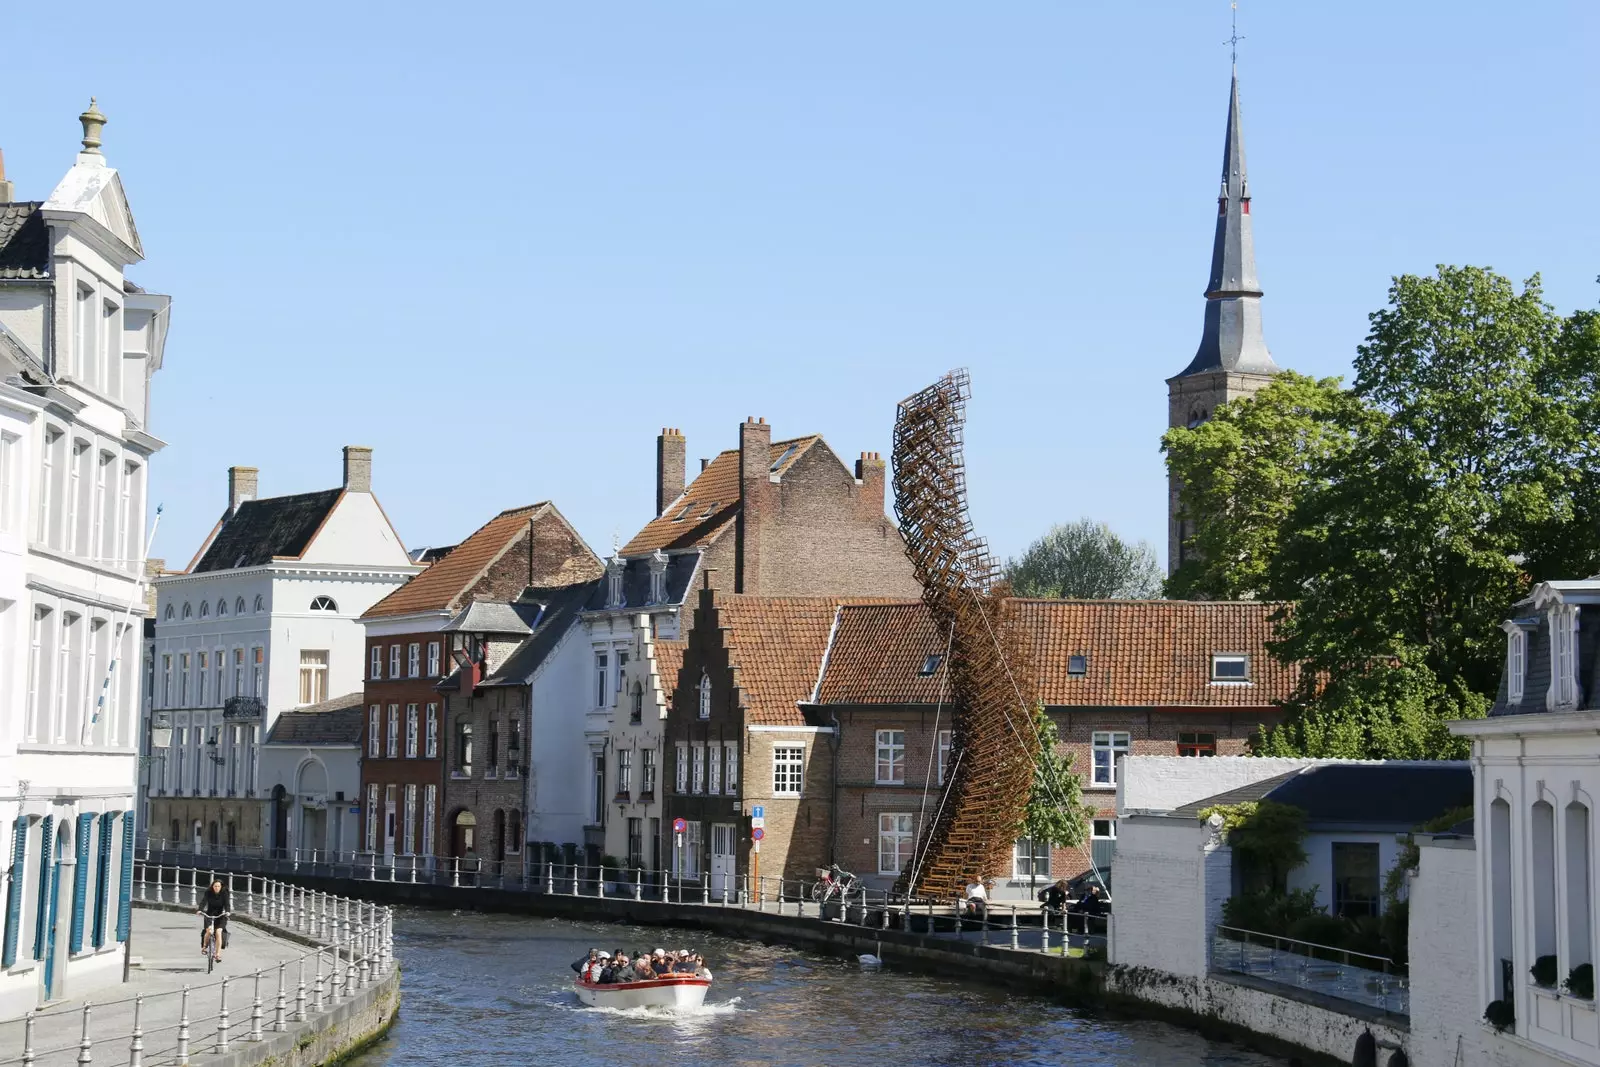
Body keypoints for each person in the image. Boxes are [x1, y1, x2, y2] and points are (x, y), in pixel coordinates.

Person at [198, 878, 230, 961]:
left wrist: (227, 912)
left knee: (218, 932)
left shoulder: (224, 893)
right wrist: (200, 910)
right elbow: (203, 901)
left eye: (218, 886)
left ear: (221, 887)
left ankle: (218, 954)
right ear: (212, 886)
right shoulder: (208, 893)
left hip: (221, 915)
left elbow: (227, 904)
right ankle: (204, 947)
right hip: (209, 914)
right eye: (215, 886)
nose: (217, 888)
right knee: (209, 931)